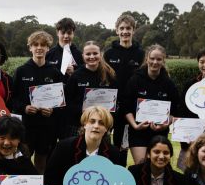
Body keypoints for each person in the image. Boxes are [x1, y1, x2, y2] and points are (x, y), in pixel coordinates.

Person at [11, 30, 63, 174]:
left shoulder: (55, 72)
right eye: (36, 44)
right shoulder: (21, 71)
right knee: (22, 161)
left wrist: (53, 110)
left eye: (43, 45)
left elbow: (61, 102)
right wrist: (24, 107)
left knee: (42, 164)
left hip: (47, 128)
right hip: (26, 127)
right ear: (30, 47)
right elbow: (12, 100)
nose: (39, 47)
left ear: (48, 48)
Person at [124, 44, 179, 165]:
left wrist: (164, 125)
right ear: (147, 59)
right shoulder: (135, 80)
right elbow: (126, 107)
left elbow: (175, 111)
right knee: (142, 166)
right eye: (152, 58)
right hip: (138, 132)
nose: (155, 62)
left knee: (158, 168)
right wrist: (135, 125)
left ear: (163, 61)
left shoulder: (169, 84)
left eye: (159, 59)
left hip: (159, 134)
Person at [104, 14, 145, 166]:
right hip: (111, 106)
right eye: (122, 28)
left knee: (124, 145)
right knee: (108, 144)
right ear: (116, 30)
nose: (125, 32)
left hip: (131, 107)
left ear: (133, 30)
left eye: (128, 28)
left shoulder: (141, 54)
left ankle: (122, 174)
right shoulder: (109, 54)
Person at [64, 41, 117, 137]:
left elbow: (115, 101)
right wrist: (86, 111)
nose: (92, 57)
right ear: (83, 55)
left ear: (100, 54)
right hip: (79, 126)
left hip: (101, 126)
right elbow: (68, 102)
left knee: (100, 152)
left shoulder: (109, 75)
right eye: (88, 54)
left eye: (95, 53)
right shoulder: (76, 75)